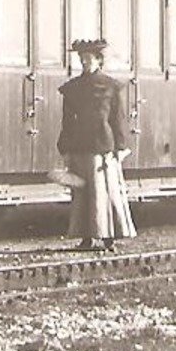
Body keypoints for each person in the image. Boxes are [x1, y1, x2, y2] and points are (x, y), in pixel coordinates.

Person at [57, 38, 137, 250]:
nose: (84, 63)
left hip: (103, 148)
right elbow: (67, 121)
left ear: (98, 60)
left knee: (104, 192)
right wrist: (64, 148)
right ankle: (87, 238)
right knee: (82, 194)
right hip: (79, 147)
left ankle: (108, 237)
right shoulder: (72, 88)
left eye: (88, 59)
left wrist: (121, 147)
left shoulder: (111, 87)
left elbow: (117, 119)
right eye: (82, 59)